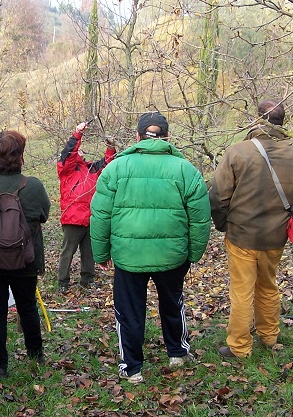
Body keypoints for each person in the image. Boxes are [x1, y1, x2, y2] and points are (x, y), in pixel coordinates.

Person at [90, 112, 211, 383]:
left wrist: (101, 253)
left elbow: (99, 214)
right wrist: (194, 253)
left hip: (128, 255)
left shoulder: (116, 169)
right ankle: (177, 352)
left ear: (137, 136)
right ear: (168, 137)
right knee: (172, 302)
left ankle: (132, 368)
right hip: (172, 255)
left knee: (129, 311)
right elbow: (201, 218)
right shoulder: (185, 170)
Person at [209, 100, 293, 359]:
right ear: (283, 121)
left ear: (258, 120)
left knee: (242, 291)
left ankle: (239, 346)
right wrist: (290, 222)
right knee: (268, 285)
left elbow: (218, 197)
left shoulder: (237, 152)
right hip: (275, 237)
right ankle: (269, 336)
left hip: (241, 235)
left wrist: (223, 224)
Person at [0, 130, 50, 378]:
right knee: (27, 306)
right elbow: (44, 216)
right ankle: (35, 354)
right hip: (25, 258)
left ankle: (0, 366)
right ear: (19, 156)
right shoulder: (34, 185)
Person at [57, 122, 116, 293]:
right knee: (68, 251)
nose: (80, 152)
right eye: (78, 150)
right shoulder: (66, 169)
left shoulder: (90, 168)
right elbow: (68, 153)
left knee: (89, 252)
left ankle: (87, 279)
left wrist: (110, 147)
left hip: (90, 218)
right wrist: (77, 134)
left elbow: (108, 164)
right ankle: (62, 282)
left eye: (81, 150)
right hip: (73, 218)